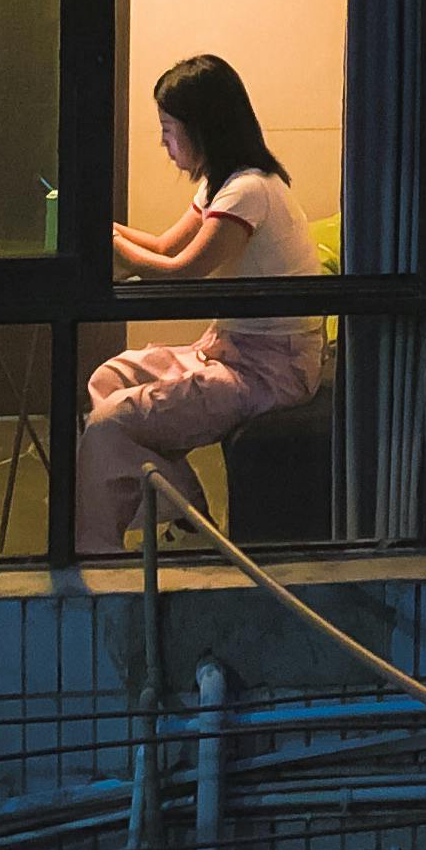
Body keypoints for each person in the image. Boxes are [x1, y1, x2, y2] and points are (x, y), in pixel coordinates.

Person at [80, 53, 327, 550]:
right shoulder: (224, 183)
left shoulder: (249, 191)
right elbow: (167, 246)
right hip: (232, 350)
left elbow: (184, 271)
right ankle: (188, 514)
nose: (165, 144)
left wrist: (114, 250)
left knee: (110, 426)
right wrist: (97, 229)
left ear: (204, 128)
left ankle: (99, 553)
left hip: (268, 370)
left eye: (170, 130)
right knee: (107, 380)